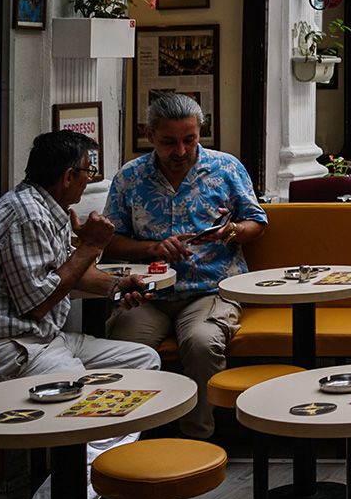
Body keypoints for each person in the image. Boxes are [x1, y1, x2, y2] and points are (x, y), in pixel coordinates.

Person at [0, 131, 162, 499]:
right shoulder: (23, 215)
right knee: (96, 416)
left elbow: (65, 275)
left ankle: (73, 497)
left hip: (45, 342)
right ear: (69, 175)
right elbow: (39, 301)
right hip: (8, 351)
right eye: (88, 173)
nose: (90, 181)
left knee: (143, 365)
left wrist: (114, 285)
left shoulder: (45, 208)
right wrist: (90, 244)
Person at [102, 93, 267, 440]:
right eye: (169, 142)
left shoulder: (226, 168)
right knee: (125, 344)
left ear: (200, 134)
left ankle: (198, 439)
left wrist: (229, 232)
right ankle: (126, 440)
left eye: (189, 140)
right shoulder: (130, 178)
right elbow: (111, 240)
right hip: (151, 291)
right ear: (150, 137)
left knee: (202, 342)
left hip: (211, 288)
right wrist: (152, 247)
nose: (180, 151)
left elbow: (257, 223)